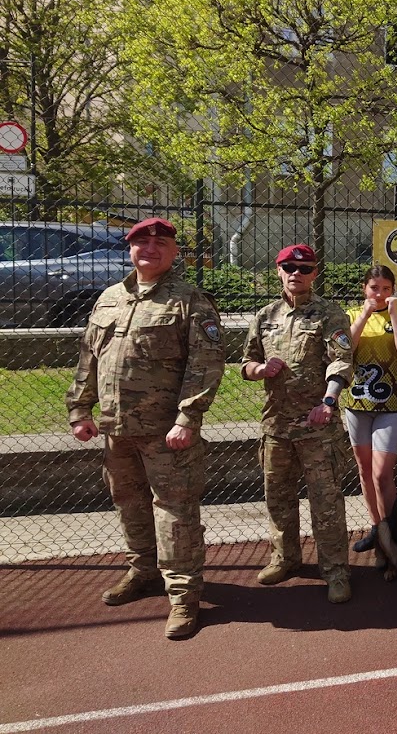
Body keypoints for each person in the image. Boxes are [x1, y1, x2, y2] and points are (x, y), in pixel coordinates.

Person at [66, 217, 225, 639]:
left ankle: (184, 596)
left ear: (174, 252)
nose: (150, 249)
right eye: (141, 243)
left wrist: (188, 418)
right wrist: (80, 408)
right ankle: (143, 571)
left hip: (166, 434)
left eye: (160, 243)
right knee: (129, 504)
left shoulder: (190, 300)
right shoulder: (109, 299)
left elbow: (206, 365)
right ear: (130, 249)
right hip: (116, 430)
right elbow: (89, 358)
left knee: (175, 514)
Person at [242, 244, 354, 604]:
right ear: (279, 270)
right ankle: (286, 558)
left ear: (314, 273)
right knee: (278, 499)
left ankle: (335, 570)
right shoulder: (265, 315)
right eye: (289, 267)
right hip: (276, 426)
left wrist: (328, 401)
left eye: (305, 268)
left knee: (326, 503)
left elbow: (341, 360)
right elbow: (246, 362)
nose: (296, 273)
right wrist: (259, 369)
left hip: (317, 428)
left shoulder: (329, 314)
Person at [343, 265, 397, 554]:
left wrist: (394, 314)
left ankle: (393, 531)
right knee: (364, 470)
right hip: (357, 404)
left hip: (390, 405)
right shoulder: (351, 315)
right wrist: (364, 315)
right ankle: (376, 528)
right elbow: (345, 349)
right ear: (365, 289)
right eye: (374, 288)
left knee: (382, 473)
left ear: (393, 290)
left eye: (386, 289)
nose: (380, 294)